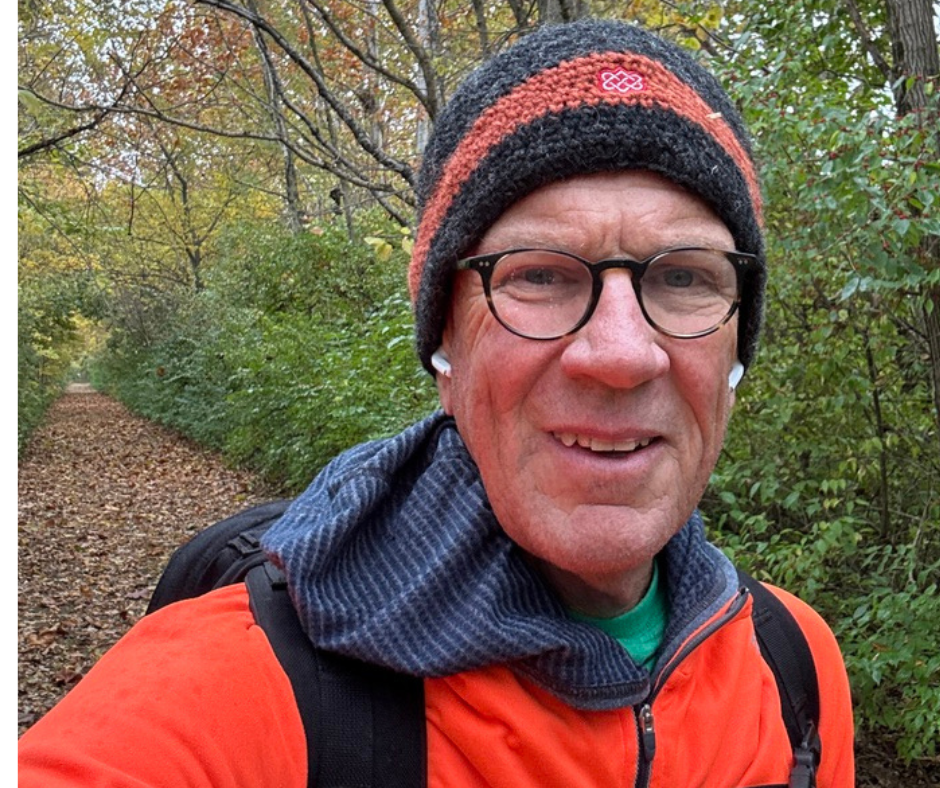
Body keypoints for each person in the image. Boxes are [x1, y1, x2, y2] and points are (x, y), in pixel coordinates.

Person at [19, 18, 855, 787]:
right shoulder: (235, 691)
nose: (622, 354)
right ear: (444, 347)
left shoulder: (796, 670)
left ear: (735, 348)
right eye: (537, 274)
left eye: (684, 278)